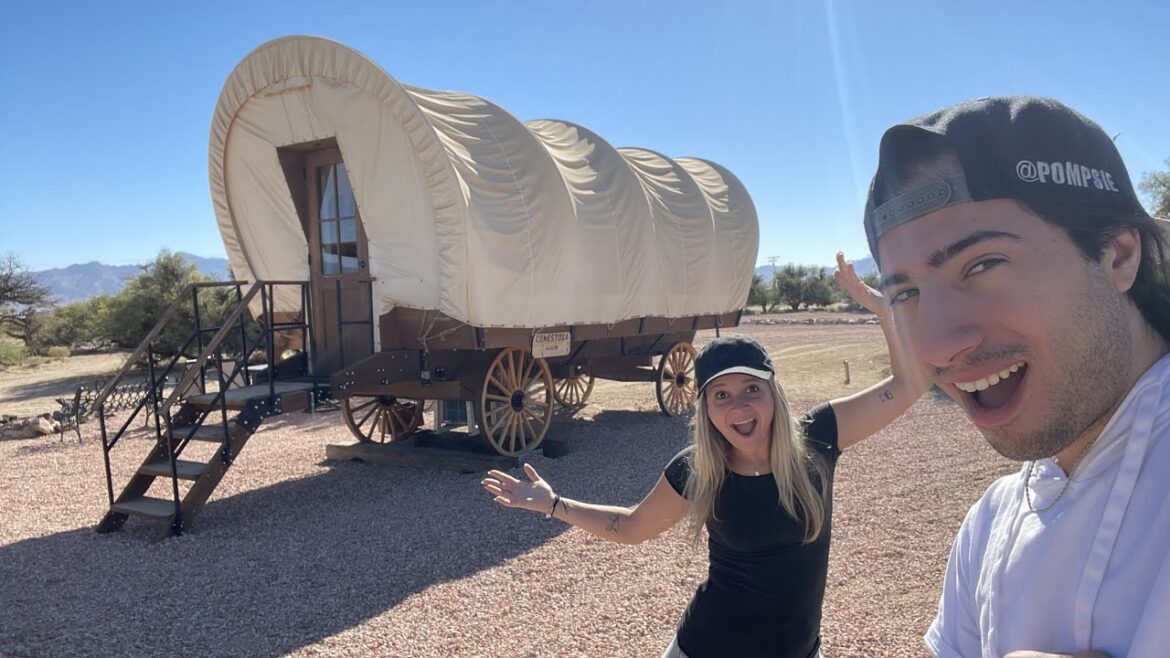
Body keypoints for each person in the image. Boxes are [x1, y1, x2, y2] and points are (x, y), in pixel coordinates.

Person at [481, 253, 929, 658]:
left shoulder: (819, 438)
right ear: (706, 408)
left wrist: (882, 310)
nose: (739, 407)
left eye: (752, 389)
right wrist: (553, 504)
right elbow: (633, 526)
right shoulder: (696, 470)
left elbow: (908, 384)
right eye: (721, 395)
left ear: (774, 392)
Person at [862, 96, 1170, 658]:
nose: (935, 346)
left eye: (982, 265)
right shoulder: (989, 527)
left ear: (1119, 256)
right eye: (905, 293)